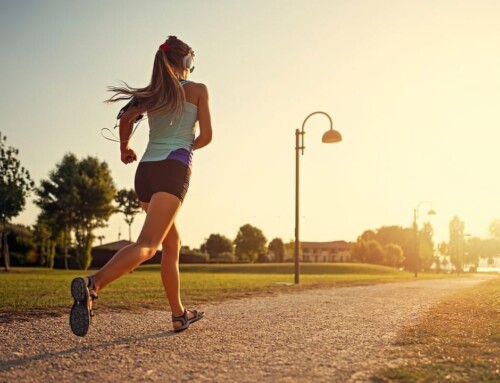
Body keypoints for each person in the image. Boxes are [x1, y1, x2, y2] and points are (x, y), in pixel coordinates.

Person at [69, 36, 212, 337]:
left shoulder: (150, 94)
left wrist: (125, 150)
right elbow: (207, 136)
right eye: (191, 63)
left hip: (145, 173)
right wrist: (185, 148)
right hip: (173, 169)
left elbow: (126, 119)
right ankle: (93, 286)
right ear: (186, 62)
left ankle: (178, 315)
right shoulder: (198, 90)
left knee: (171, 243)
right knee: (148, 246)